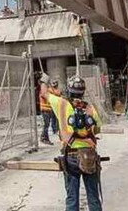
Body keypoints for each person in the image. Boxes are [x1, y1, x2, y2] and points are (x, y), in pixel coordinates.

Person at [47, 75, 103, 211]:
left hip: (70, 155)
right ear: (83, 92)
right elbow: (97, 128)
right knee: (93, 196)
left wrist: (47, 82)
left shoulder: (61, 104)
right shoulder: (90, 108)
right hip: (89, 155)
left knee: (72, 197)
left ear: (69, 90)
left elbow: (44, 94)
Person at [39, 78, 61, 145]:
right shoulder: (46, 90)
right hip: (45, 110)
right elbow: (54, 94)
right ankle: (44, 138)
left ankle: (44, 137)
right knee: (46, 125)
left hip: (49, 110)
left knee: (47, 124)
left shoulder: (49, 90)